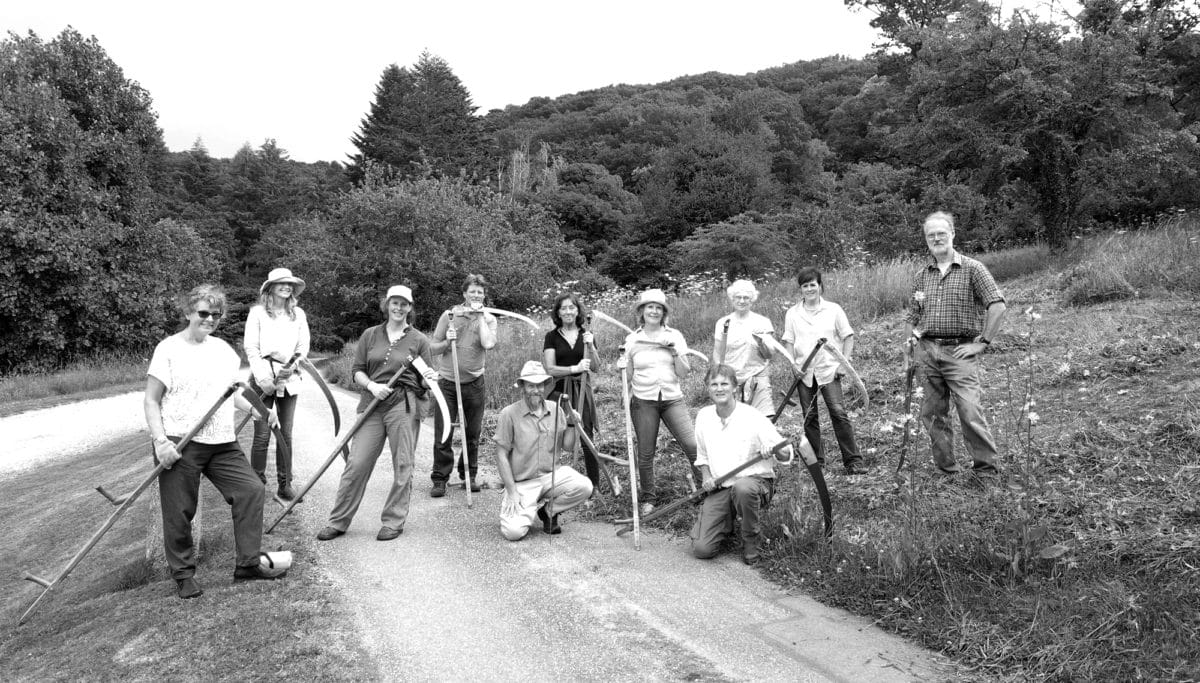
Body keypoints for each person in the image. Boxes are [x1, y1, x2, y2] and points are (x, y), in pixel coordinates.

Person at [144, 284, 286, 599]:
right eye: (203, 313)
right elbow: (152, 401)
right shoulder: (168, 349)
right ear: (187, 313)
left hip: (222, 441)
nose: (210, 319)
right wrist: (160, 441)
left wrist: (260, 412)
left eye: (216, 315)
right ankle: (183, 574)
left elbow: (234, 393)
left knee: (250, 490)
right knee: (180, 510)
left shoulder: (222, 351)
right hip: (180, 441)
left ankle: (247, 566)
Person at [316, 285, 437, 542]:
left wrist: (429, 379)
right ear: (387, 305)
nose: (399, 308)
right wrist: (372, 385)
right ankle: (338, 521)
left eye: (404, 304)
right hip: (372, 405)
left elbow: (426, 381)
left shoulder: (419, 340)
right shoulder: (370, 335)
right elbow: (358, 370)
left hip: (402, 405)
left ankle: (393, 521)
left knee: (403, 465)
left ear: (410, 308)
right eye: (395, 302)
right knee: (356, 464)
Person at [904, 211, 1006, 483]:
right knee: (933, 414)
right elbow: (914, 316)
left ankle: (986, 471)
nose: (936, 239)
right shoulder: (921, 275)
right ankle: (946, 470)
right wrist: (912, 344)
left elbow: (997, 305)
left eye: (941, 233)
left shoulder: (973, 268)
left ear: (952, 235)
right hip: (927, 352)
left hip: (960, 351)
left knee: (970, 411)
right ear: (926, 240)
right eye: (930, 235)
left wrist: (982, 343)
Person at [691, 365, 808, 565]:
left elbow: (785, 453)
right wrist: (707, 476)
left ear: (735, 387)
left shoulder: (752, 416)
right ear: (708, 388)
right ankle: (725, 525)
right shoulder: (703, 416)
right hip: (722, 486)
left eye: (724, 384)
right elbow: (702, 456)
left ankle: (751, 539)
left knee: (742, 488)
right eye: (714, 384)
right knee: (702, 549)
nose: (719, 389)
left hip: (755, 483)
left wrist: (772, 449)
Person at [616, 288, 697, 514]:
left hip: (672, 399)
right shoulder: (632, 340)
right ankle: (649, 498)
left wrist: (674, 353)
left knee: (692, 445)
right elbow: (628, 376)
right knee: (645, 452)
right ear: (642, 311)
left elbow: (683, 372)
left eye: (658, 308)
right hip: (643, 401)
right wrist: (622, 369)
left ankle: (704, 490)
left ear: (663, 313)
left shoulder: (674, 335)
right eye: (649, 307)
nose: (654, 311)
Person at [782, 267, 867, 475]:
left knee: (838, 413)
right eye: (805, 285)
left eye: (813, 284)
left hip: (829, 369)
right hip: (804, 372)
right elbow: (789, 342)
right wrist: (792, 364)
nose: (809, 289)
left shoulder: (833, 309)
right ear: (800, 289)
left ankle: (853, 461)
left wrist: (843, 363)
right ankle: (817, 464)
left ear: (820, 286)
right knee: (809, 416)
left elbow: (848, 336)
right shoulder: (793, 313)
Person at [495, 361, 592, 541]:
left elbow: (568, 447)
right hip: (522, 483)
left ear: (545, 386)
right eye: (531, 385)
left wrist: (572, 424)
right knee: (513, 533)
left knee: (585, 486)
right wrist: (512, 491)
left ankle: (548, 511)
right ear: (522, 386)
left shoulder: (556, 409)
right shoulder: (508, 414)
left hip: (551, 477)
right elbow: (501, 455)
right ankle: (524, 508)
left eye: (540, 385)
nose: (536, 390)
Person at [244, 267, 310, 501]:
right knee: (262, 434)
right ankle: (256, 485)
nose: (287, 287)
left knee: (286, 434)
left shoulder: (298, 314)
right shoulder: (258, 313)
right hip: (263, 377)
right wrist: (264, 379)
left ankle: (285, 484)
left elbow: (303, 347)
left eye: (290, 284)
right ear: (270, 287)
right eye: (282, 283)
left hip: (289, 378)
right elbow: (251, 348)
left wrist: (290, 367)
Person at [429, 274, 498, 497]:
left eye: (480, 292)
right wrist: (447, 341)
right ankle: (439, 478)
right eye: (472, 291)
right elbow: (433, 347)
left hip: (475, 383)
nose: (476, 295)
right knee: (444, 432)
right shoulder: (449, 316)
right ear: (464, 294)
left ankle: (469, 475)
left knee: (472, 434)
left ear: (484, 295)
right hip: (447, 383)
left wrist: (479, 319)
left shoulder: (489, 319)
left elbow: (488, 344)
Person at [542, 292, 602, 490]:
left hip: (581, 390)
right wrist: (573, 369)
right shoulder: (551, 337)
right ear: (558, 313)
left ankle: (594, 487)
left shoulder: (587, 334)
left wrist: (591, 345)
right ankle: (548, 483)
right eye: (564, 308)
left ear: (578, 310)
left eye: (572, 307)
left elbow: (595, 367)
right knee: (555, 436)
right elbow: (549, 368)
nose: (568, 311)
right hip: (558, 391)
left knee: (586, 437)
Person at [711, 279, 776, 418]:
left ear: (752, 300)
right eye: (738, 297)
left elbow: (769, 355)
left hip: (757, 375)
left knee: (764, 421)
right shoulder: (723, 323)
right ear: (732, 299)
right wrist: (720, 376)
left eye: (746, 297)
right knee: (733, 421)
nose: (741, 301)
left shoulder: (762, 322)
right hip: (731, 377)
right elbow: (717, 353)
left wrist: (761, 342)